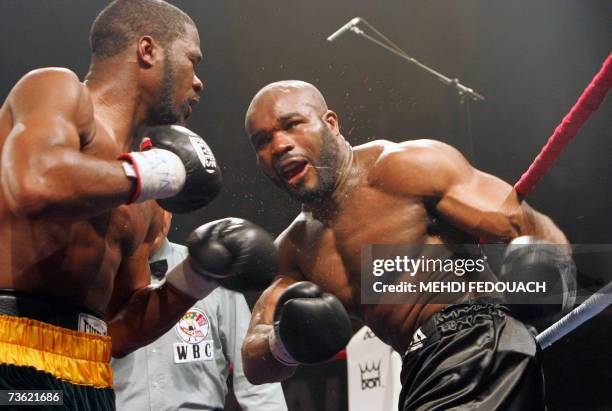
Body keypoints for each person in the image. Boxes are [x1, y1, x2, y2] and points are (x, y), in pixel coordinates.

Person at [0, 1, 275, 409]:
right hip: (12, 350)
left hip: (90, 375)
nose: (199, 82)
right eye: (192, 60)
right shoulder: (56, 90)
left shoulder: (143, 204)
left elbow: (121, 330)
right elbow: (36, 182)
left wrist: (197, 277)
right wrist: (155, 171)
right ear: (147, 50)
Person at [241, 80, 574, 410]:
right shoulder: (294, 249)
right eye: (263, 141)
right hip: (419, 370)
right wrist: (285, 341)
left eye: (292, 125)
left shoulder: (405, 168)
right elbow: (254, 362)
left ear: (330, 123)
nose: (280, 145)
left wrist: (548, 269)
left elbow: (527, 225)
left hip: (478, 343)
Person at [112, 212, 287, 411]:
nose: (154, 219)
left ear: (170, 212)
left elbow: (254, 377)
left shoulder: (214, 266)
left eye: (160, 205)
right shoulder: (94, 279)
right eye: (144, 209)